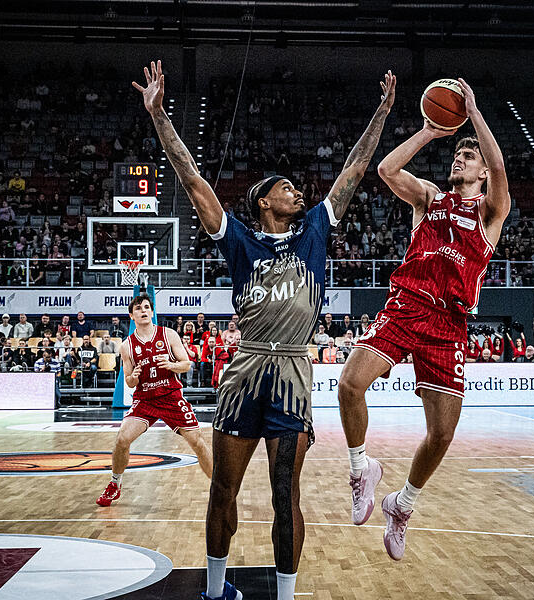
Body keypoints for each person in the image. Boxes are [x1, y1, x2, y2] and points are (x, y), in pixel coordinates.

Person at [135, 59, 394, 600]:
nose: (299, 194)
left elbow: (354, 169)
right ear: (263, 200)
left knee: (285, 495)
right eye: (288, 189)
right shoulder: (239, 239)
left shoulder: (315, 229)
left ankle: (286, 596)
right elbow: (192, 179)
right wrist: (159, 115)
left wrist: (383, 112)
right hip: (246, 368)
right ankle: (214, 590)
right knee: (223, 489)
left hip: (293, 369)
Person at [337, 77, 510, 560]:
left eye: (468, 157)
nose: (460, 160)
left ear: (481, 172)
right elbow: (387, 169)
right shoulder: (430, 198)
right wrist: (431, 131)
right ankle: (361, 470)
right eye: (458, 154)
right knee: (349, 384)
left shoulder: (491, 212)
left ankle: (402, 505)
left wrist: (473, 112)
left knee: (442, 434)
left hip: (449, 323)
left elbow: (499, 166)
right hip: (407, 305)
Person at [96, 293, 212, 507]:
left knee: (197, 440)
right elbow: (129, 382)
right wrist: (134, 377)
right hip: (145, 400)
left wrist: (171, 365)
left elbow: (186, 364)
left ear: (152, 312)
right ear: (132, 316)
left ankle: (220, 487)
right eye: (138, 308)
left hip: (170, 397)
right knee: (122, 439)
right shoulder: (126, 346)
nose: (143, 311)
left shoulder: (168, 335)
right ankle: (115, 483)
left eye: (146, 307)